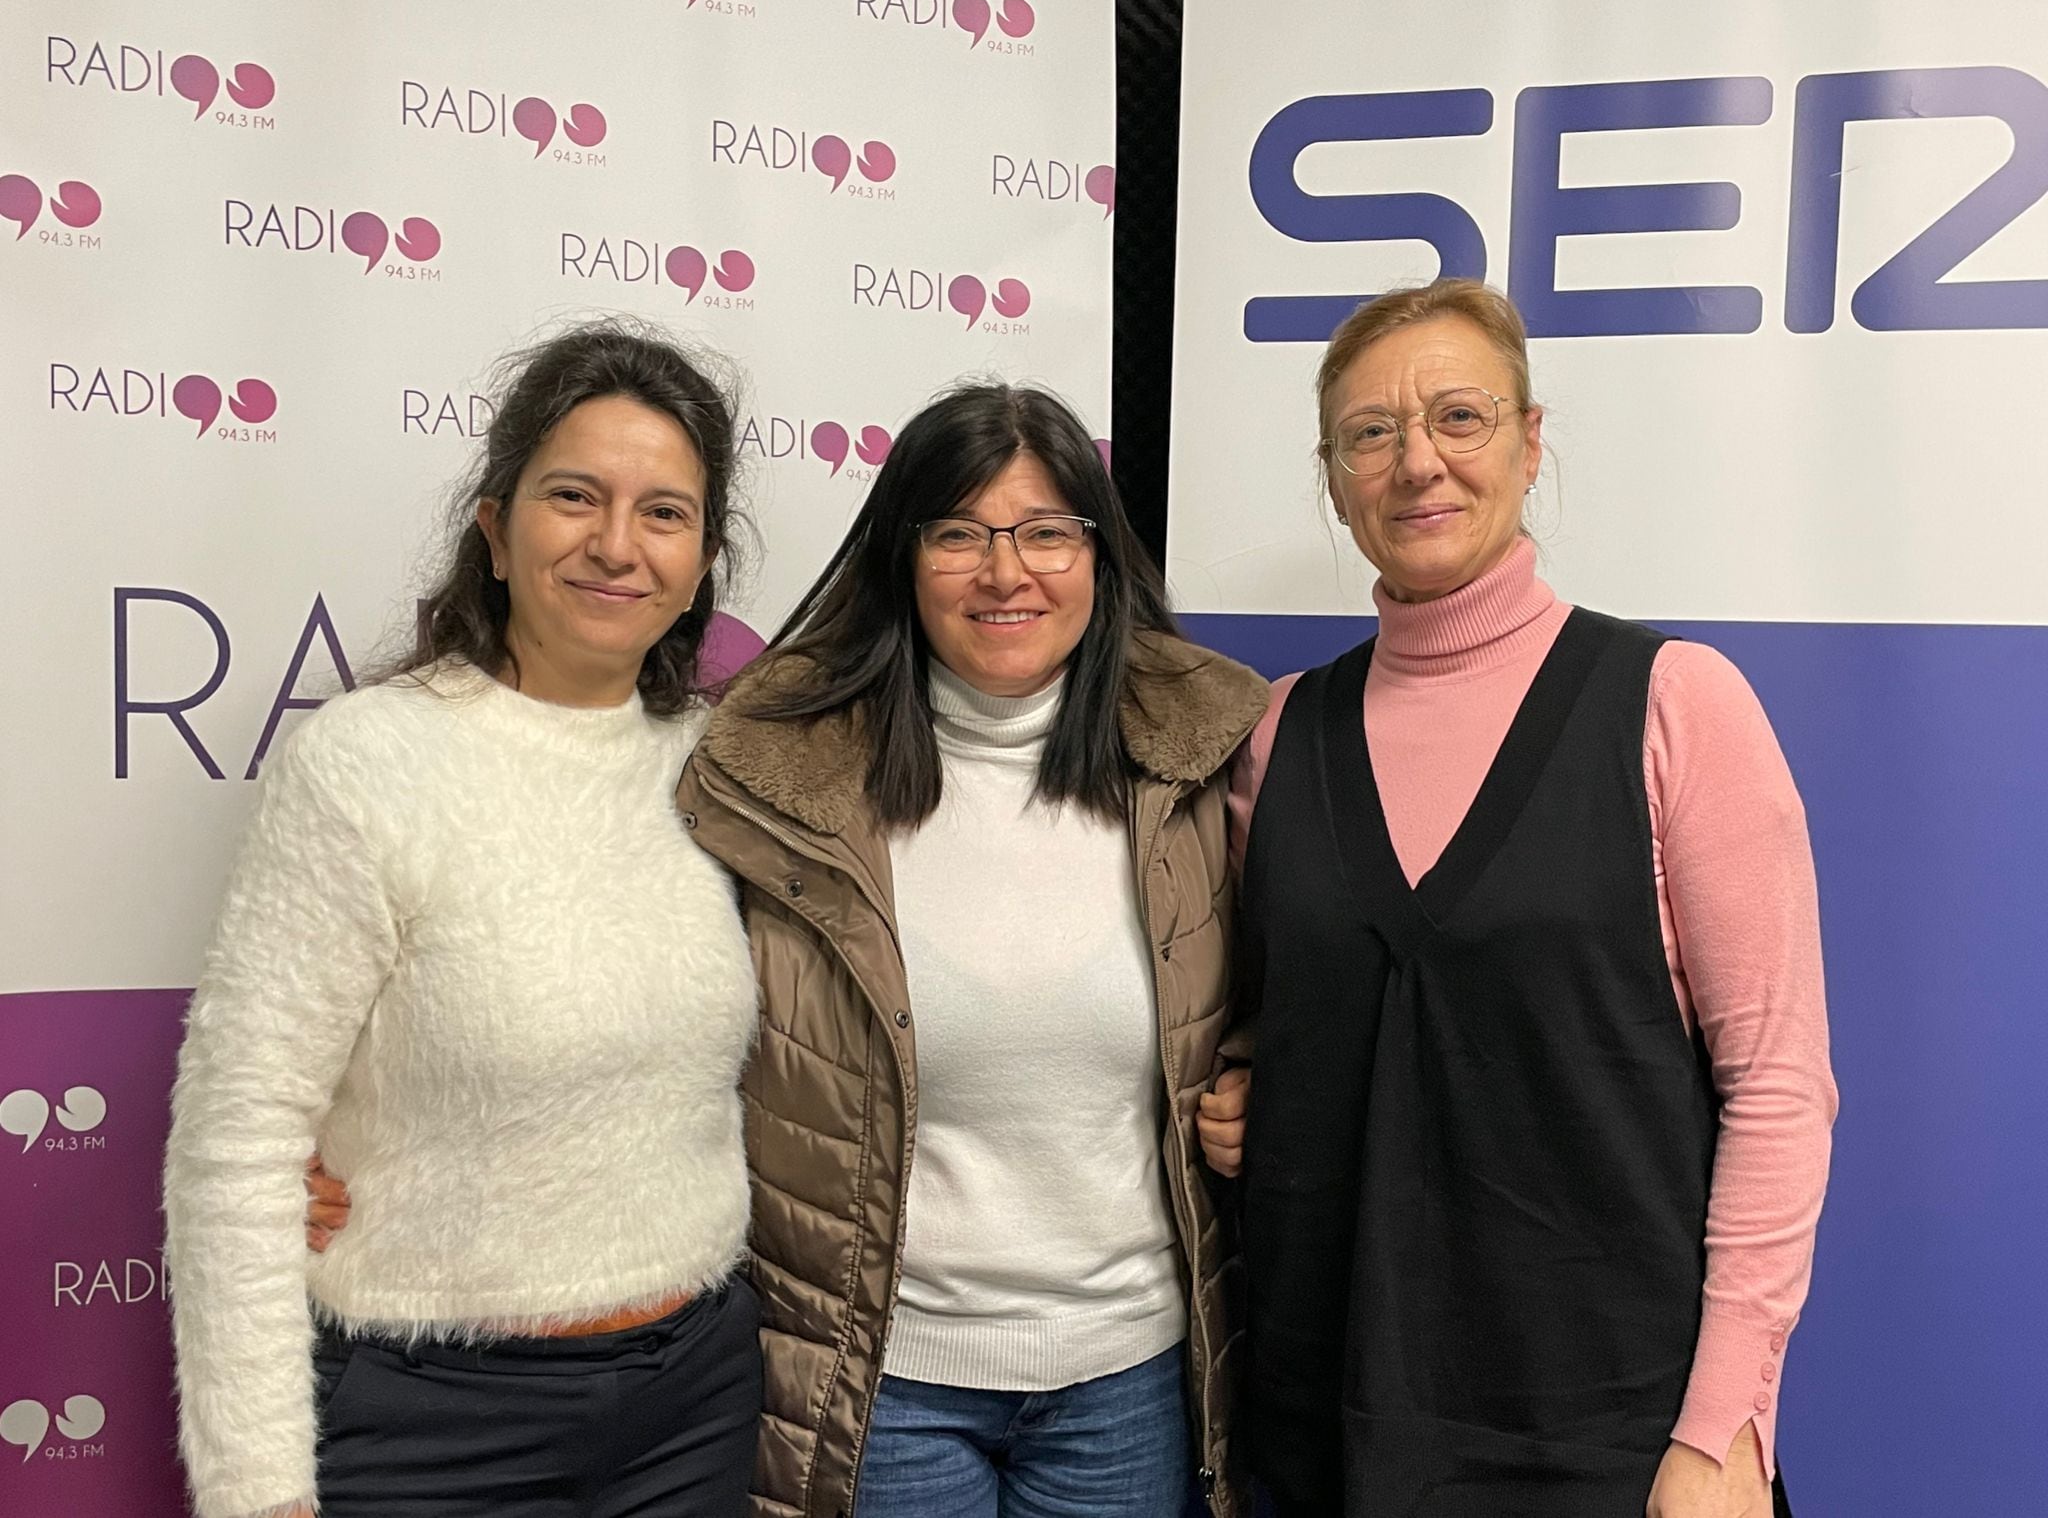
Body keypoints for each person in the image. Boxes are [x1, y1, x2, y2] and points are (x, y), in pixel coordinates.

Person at [1204, 279, 1838, 1517]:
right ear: (1332, 477)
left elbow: (1777, 1082)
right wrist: (1246, 1084)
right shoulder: (1278, 737)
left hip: (1606, 1432)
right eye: (1370, 434)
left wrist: (1723, 1423)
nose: (1415, 463)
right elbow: (1286, 1019)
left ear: (1529, 442)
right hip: (1322, 1421)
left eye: (1459, 416)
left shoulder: (1673, 705)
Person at [164, 322, 764, 1518]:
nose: (614, 544)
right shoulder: (367, 762)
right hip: (435, 1423)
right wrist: (256, 1487)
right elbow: (237, 1140)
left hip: (696, 1404)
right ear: (494, 528)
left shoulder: (724, 768)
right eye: (572, 497)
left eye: (663, 513)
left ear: (701, 560)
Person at [674, 382, 1268, 1518]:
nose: (1007, 573)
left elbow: (1293, 976)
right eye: (958, 534)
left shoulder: (1203, 760)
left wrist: (1252, 1063)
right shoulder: (773, 778)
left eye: (1046, 532)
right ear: (901, 554)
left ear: (1099, 555)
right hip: (883, 1381)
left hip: (1127, 1378)